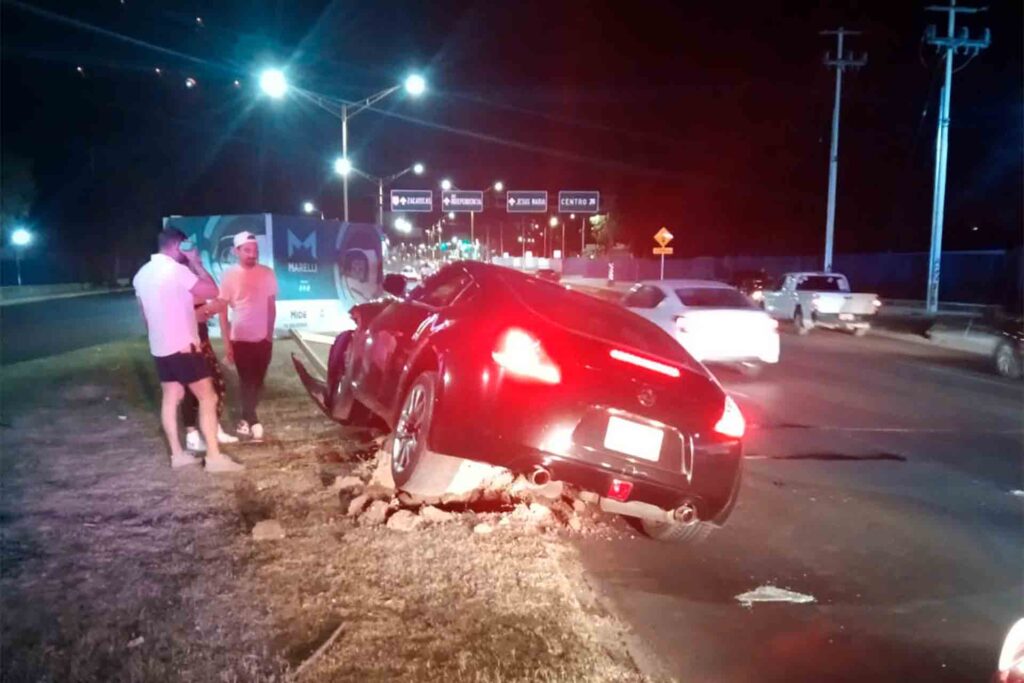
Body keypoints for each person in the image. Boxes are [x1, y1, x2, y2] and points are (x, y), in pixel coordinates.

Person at [132, 228, 244, 472]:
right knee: (208, 397)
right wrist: (196, 262)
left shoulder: (141, 275)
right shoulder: (177, 270)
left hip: (160, 348)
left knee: (170, 398)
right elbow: (212, 291)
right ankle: (214, 457)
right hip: (184, 345)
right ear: (177, 246)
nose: (187, 251)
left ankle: (177, 455)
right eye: (185, 247)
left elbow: (145, 316)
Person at [218, 231, 278, 441]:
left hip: (263, 339)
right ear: (236, 251)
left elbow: (271, 306)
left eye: (255, 251)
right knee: (247, 381)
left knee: (259, 382)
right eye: (247, 250)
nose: (252, 254)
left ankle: (247, 418)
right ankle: (251, 420)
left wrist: (269, 335)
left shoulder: (267, 273)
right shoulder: (229, 276)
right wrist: (227, 343)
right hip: (240, 338)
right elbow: (222, 311)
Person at [182, 296, 238, 451]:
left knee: (215, 385)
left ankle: (212, 429)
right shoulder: (179, 286)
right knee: (191, 388)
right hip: (188, 343)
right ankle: (193, 435)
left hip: (200, 341)